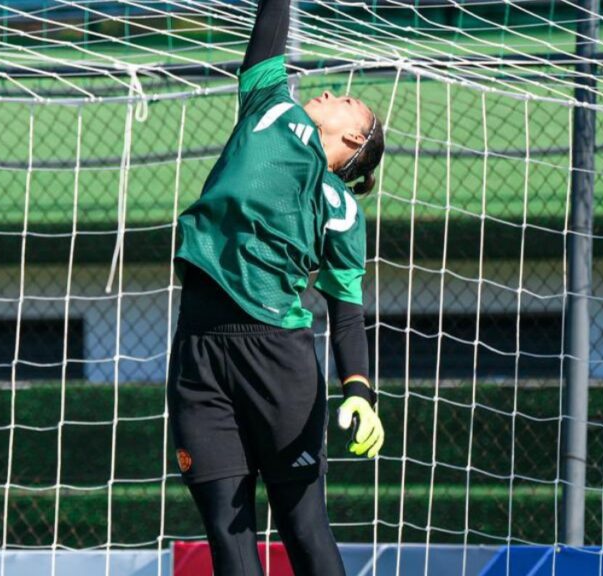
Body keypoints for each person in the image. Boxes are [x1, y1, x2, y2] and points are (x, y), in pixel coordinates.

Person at [167, 0, 386, 572]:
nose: (334, 92)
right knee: (227, 528)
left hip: (278, 359)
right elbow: (269, 30)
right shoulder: (270, 106)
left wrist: (359, 391)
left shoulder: (339, 206)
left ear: (355, 143)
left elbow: (344, 310)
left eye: (347, 102)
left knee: (302, 525)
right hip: (199, 349)